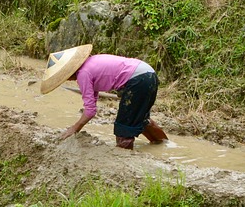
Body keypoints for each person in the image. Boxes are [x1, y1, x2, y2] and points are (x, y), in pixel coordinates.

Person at [39, 44, 167, 149]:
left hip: (137, 80)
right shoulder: (91, 63)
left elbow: (90, 111)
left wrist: (74, 128)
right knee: (140, 118)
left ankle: (125, 159)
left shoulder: (83, 74)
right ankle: (164, 146)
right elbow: (92, 101)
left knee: (123, 128)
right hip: (148, 73)